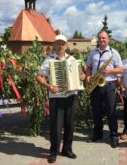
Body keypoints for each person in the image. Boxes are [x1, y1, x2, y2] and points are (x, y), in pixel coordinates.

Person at [37, 34, 85, 163]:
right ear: (54, 45)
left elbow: (81, 75)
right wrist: (48, 86)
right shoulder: (49, 60)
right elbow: (39, 77)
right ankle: (53, 151)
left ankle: (67, 149)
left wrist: (82, 77)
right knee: (56, 126)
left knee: (70, 125)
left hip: (71, 96)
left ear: (66, 45)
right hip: (56, 97)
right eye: (57, 43)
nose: (60, 46)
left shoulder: (72, 59)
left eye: (62, 44)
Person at [85, 30, 124, 148]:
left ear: (108, 40)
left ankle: (114, 136)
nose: (101, 40)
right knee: (96, 111)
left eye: (104, 38)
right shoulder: (93, 52)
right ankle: (98, 133)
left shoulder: (114, 53)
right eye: (100, 38)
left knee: (111, 111)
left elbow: (121, 69)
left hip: (109, 85)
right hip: (95, 85)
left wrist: (111, 71)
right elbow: (88, 66)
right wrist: (88, 75)